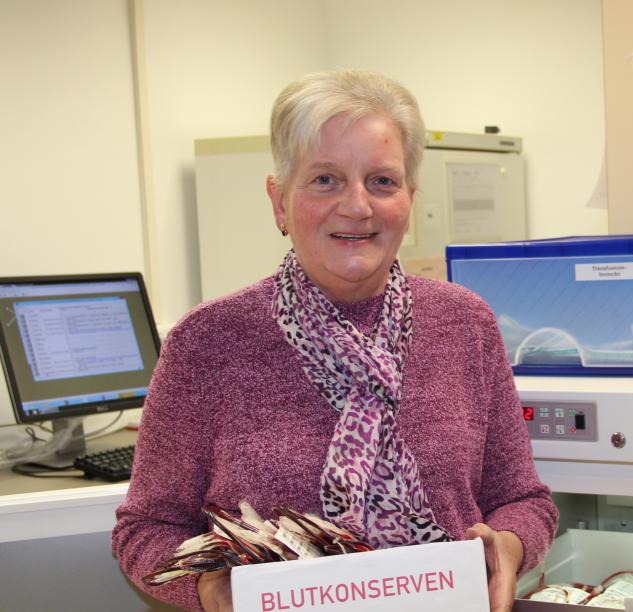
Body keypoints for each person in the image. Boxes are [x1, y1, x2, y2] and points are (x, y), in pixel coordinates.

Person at [112, 69, 558, 612]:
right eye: (325, 179)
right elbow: (146, 529)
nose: (357, 205)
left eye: (382, 181)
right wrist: (210, 590)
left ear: (409, 199)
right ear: (279, 202)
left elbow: (521, 500)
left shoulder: (465, 324)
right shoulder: (207, 343)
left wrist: (507, 547)